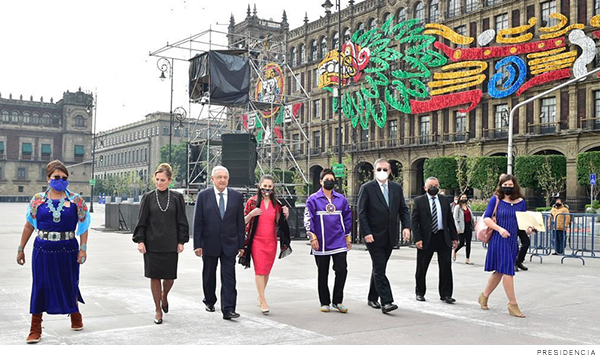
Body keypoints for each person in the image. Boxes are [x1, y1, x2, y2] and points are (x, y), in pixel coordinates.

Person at [17, 160, 90, 343]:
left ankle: (75, 314)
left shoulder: (76, 200)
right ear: (48, 178)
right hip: (43, 249)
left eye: (64, 178)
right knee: (40, 285)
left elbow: (84, 225)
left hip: (68, 250)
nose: (60, 180)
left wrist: (83, 249)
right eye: (56, 177)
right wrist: (21, 249)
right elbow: (28, 225)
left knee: (69, 282)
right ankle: (35, 327)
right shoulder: (38, 199)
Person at [133, 163, 189, 324]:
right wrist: (140, 241)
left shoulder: (177, 198)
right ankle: (158, 309)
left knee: (170, 277)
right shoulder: (148, 197)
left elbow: (182, 221)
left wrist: (181, 241)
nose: (159, 183)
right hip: (152, 244)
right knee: (154, 277)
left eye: (163, 180)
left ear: (170, 181)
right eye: (157, 179)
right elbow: (141, 221)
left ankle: (164, 295)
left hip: (171, 243)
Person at [358, 159, 411, 314]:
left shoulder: (396, 188)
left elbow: (403, 209)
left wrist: (406, 227)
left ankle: (371, 297)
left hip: (390, 235)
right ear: (374, 171)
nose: (382, 171)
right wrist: (366, 233)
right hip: (373, 236)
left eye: (385, 169)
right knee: (380, 268)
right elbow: (362, 213)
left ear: (390, 171)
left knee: (379, 267)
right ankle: (386, 302)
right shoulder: (367, 188)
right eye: (379, 169)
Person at [193, 166, 245, 320]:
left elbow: (240, 223)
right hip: (209, 243)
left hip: (230, 244)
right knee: (209, 274)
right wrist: (197, 244)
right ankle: (209, 300)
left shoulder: (236, 196)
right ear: (212, 179)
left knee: (229, 277)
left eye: (225, 177)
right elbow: (197, 222)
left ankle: (228, 309)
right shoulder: (203, 196)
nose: (222, 180)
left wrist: (241, 245)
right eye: (219, 177)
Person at [478, 174, 533, 318]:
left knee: (499, 272)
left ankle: (484, 296)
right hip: (499, 238)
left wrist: (528, 229)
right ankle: (513, 304)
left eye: (510, 185)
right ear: (500, 185)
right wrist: (499, 229)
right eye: (505, 185)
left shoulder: (521, 202)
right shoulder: (495, 200)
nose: (507, 187)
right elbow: (487, 218)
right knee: (508, 270)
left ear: (515, 186)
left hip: (511, 240)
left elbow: (522, 222)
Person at [305, 169, 353, 313]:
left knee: (341, 270)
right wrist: (312, 237)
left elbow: (347, 218)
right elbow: (308, 219)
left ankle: (338, 301)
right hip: (321, 242)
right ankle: (324, 301)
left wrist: (348, 237)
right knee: (322, 272)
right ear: (321, 181)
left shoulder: (341, 199)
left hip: (338, 241)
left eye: (332, 179)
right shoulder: (313, 199)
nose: (329, 181)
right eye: (327, 179)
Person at [242, 175, 290, 314]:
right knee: (259, 270)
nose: (267, 189)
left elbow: (278, 223)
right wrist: (251, 214)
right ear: (259, 186)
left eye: (270, 187)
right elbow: (242, 221)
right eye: (265, 186)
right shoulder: (252, 202)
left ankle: (260, 294)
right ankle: (263, 299)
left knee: (267, 270)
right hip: (257, 240)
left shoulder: (276, 203)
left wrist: (284, 213)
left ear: (273, 188)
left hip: (271, 241)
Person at [412, 177, 459, 303]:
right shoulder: (418, 201)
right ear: (425, 188)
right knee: (422, 267)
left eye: (436, 185)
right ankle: (420, 292)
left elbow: (450, 219)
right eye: (431, 185)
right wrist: (417, 239)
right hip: (426, 238)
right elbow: (414, 222)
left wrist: (454, 237)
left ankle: (446, 294)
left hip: (443, 236)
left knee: (446, 266)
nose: (434, 188)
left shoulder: (444, 200)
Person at [453, 193, 475, 265]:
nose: (464, 199)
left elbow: (471, 216)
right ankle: (455, 251)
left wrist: (474, 222)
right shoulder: (457, 207)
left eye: (465, 197)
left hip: (468, 226)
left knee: (468, 243)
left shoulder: (468, 206)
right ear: (460, 198)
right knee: (462, 243)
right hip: (461, 226)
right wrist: (457, 228)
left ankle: (467, 259)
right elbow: (455, 218)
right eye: (463, 197)